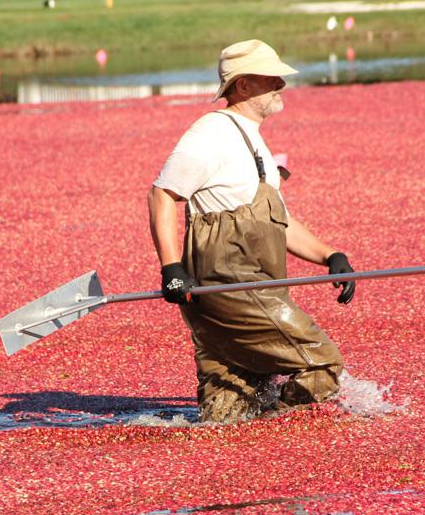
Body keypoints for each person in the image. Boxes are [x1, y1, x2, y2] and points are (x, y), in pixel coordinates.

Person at [147, 39, 356, 424]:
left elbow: (278, 221)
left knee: (228, 412)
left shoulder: (250, 138)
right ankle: (276, 425)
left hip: (253, 285)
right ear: (242, 85)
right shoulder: (211, 133)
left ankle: (253, 432)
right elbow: (162, 194)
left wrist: (330, 255)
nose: (281, 84)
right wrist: (171, 269)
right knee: (322, 364)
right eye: (271, 77)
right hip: (232, 286)